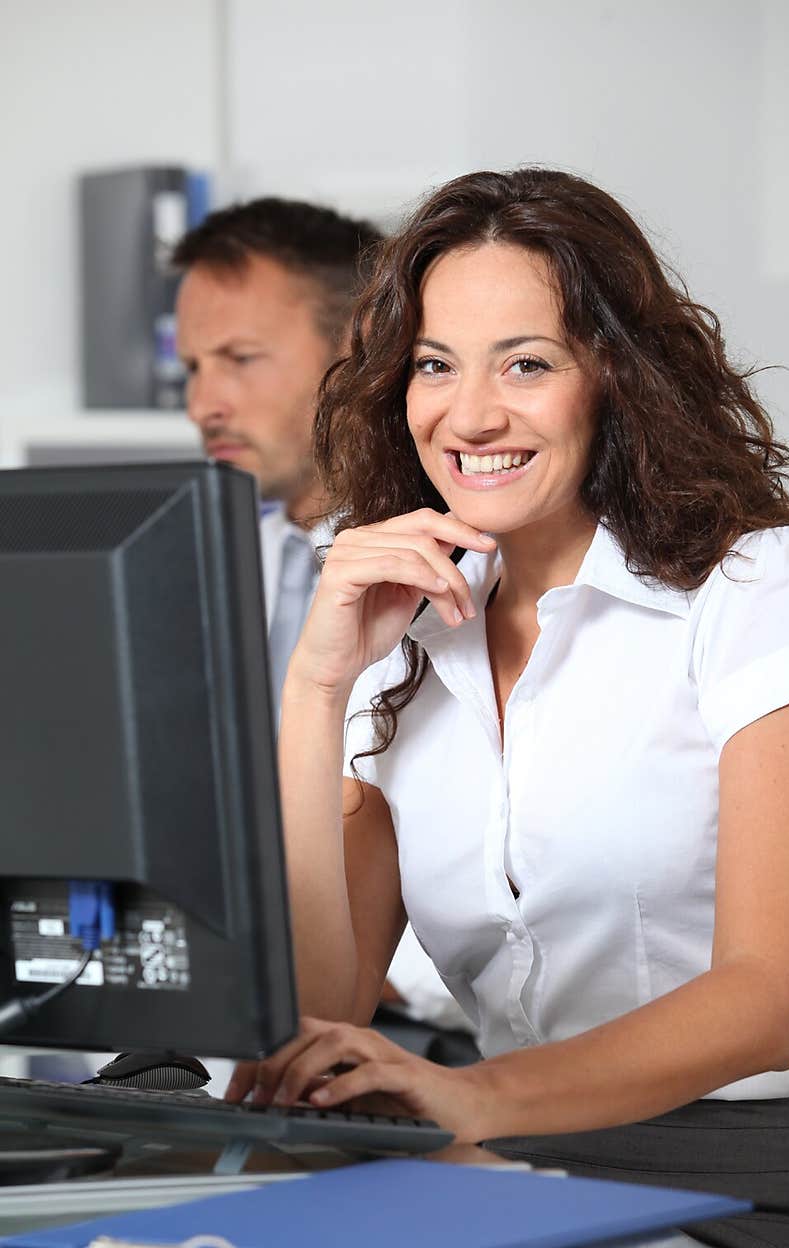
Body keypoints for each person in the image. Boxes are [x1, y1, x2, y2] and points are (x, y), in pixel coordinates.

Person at [226, 168, 789, 1248]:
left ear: (613, 378)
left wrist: (473, 1096)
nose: (468, 414)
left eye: (525, 362)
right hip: (491, 1169)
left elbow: (767, 998)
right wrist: (315, 686)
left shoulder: (753, 585)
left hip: (729, 1180)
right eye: (436, 364)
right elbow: (321, 1011)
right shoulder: (406, 632)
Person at [172, 197, 477, 1061]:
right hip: (250, 1016)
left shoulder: (456, 566)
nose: (206, 402)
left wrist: (372, 974)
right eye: (192, 368)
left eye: (239, 360)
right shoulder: (214, 568)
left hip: (431, 1027)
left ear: (362, 346)